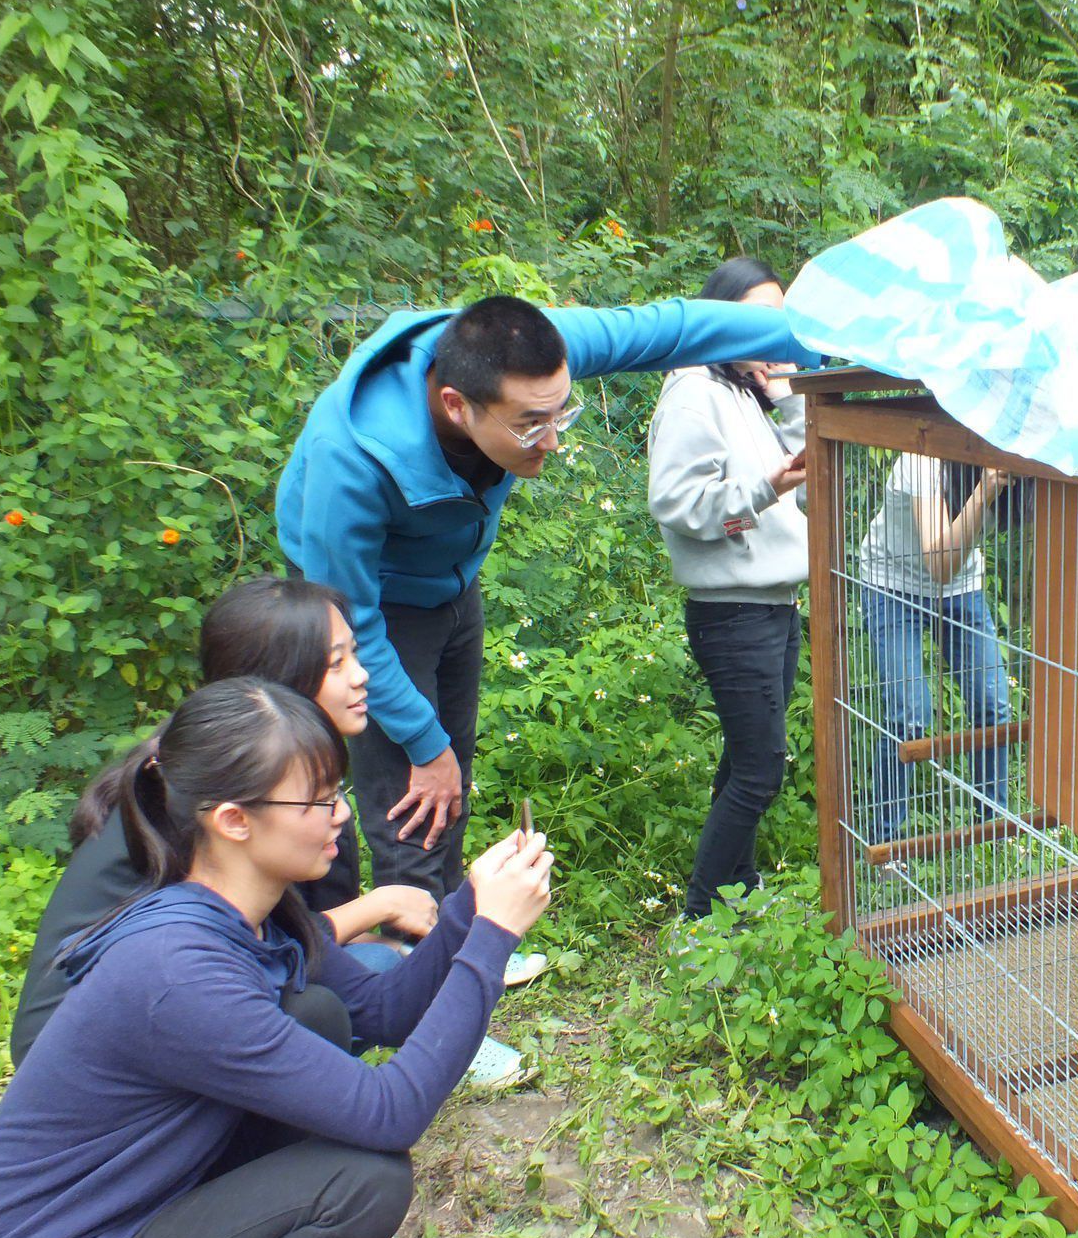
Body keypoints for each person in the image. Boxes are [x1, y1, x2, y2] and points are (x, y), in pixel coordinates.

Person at [0, 678, 556, 1238]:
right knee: (360, 1183)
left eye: (338, 790)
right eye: (318, 798)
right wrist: (493, 938)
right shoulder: (178, 972)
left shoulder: (253, 913)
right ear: (233, 819)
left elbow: (385, 1011)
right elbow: (392, 1114)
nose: (340, 814)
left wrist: (469, 909)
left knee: (322, 1016)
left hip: (125, 1227)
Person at [278, 293, 814, 906]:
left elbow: (676, 327)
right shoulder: (350, 462)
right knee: (416, 792)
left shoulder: (529, 354)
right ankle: (401, 976)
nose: (553, 441)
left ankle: (451, 949)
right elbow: (353, 623)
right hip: (363, 599)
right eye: (533, 425)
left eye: (562, 414)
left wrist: (812, 336)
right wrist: (423, 745)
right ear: (456, 405)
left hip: (451, 575)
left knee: (452, 771)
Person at [8, 576, 540, 1087]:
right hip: (89, 1047)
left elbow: (290, 936)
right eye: (336, 664)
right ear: (272, 683)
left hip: (184, 982)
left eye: (355, 654)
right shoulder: (206, 798)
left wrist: (466, 907)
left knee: (374, 962)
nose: (362, 676)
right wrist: (380, 910)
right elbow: (244, 945)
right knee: (325, 1008)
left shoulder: (270, 773)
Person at [647, 258, 809, 917]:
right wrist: (766, 490)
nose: (772, 334)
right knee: (760, 772)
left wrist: (788, 387)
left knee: (745, 762)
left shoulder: (742, 389)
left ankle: (736, 892)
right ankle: (699, 915)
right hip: (732, 609)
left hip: (771, 603)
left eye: (780, 320)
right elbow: (678, 503)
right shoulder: (694, 392)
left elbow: (803, 454)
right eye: (758, 319)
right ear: (721, 316)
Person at [856, 457, 1017, 842]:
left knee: (993, 707)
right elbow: (940, 565)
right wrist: (986, 490)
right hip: (891, 582)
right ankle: (887, 846)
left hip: (962, 588)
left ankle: (993, 836)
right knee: (909, 714)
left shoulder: (1021, 458)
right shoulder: (922, 460)